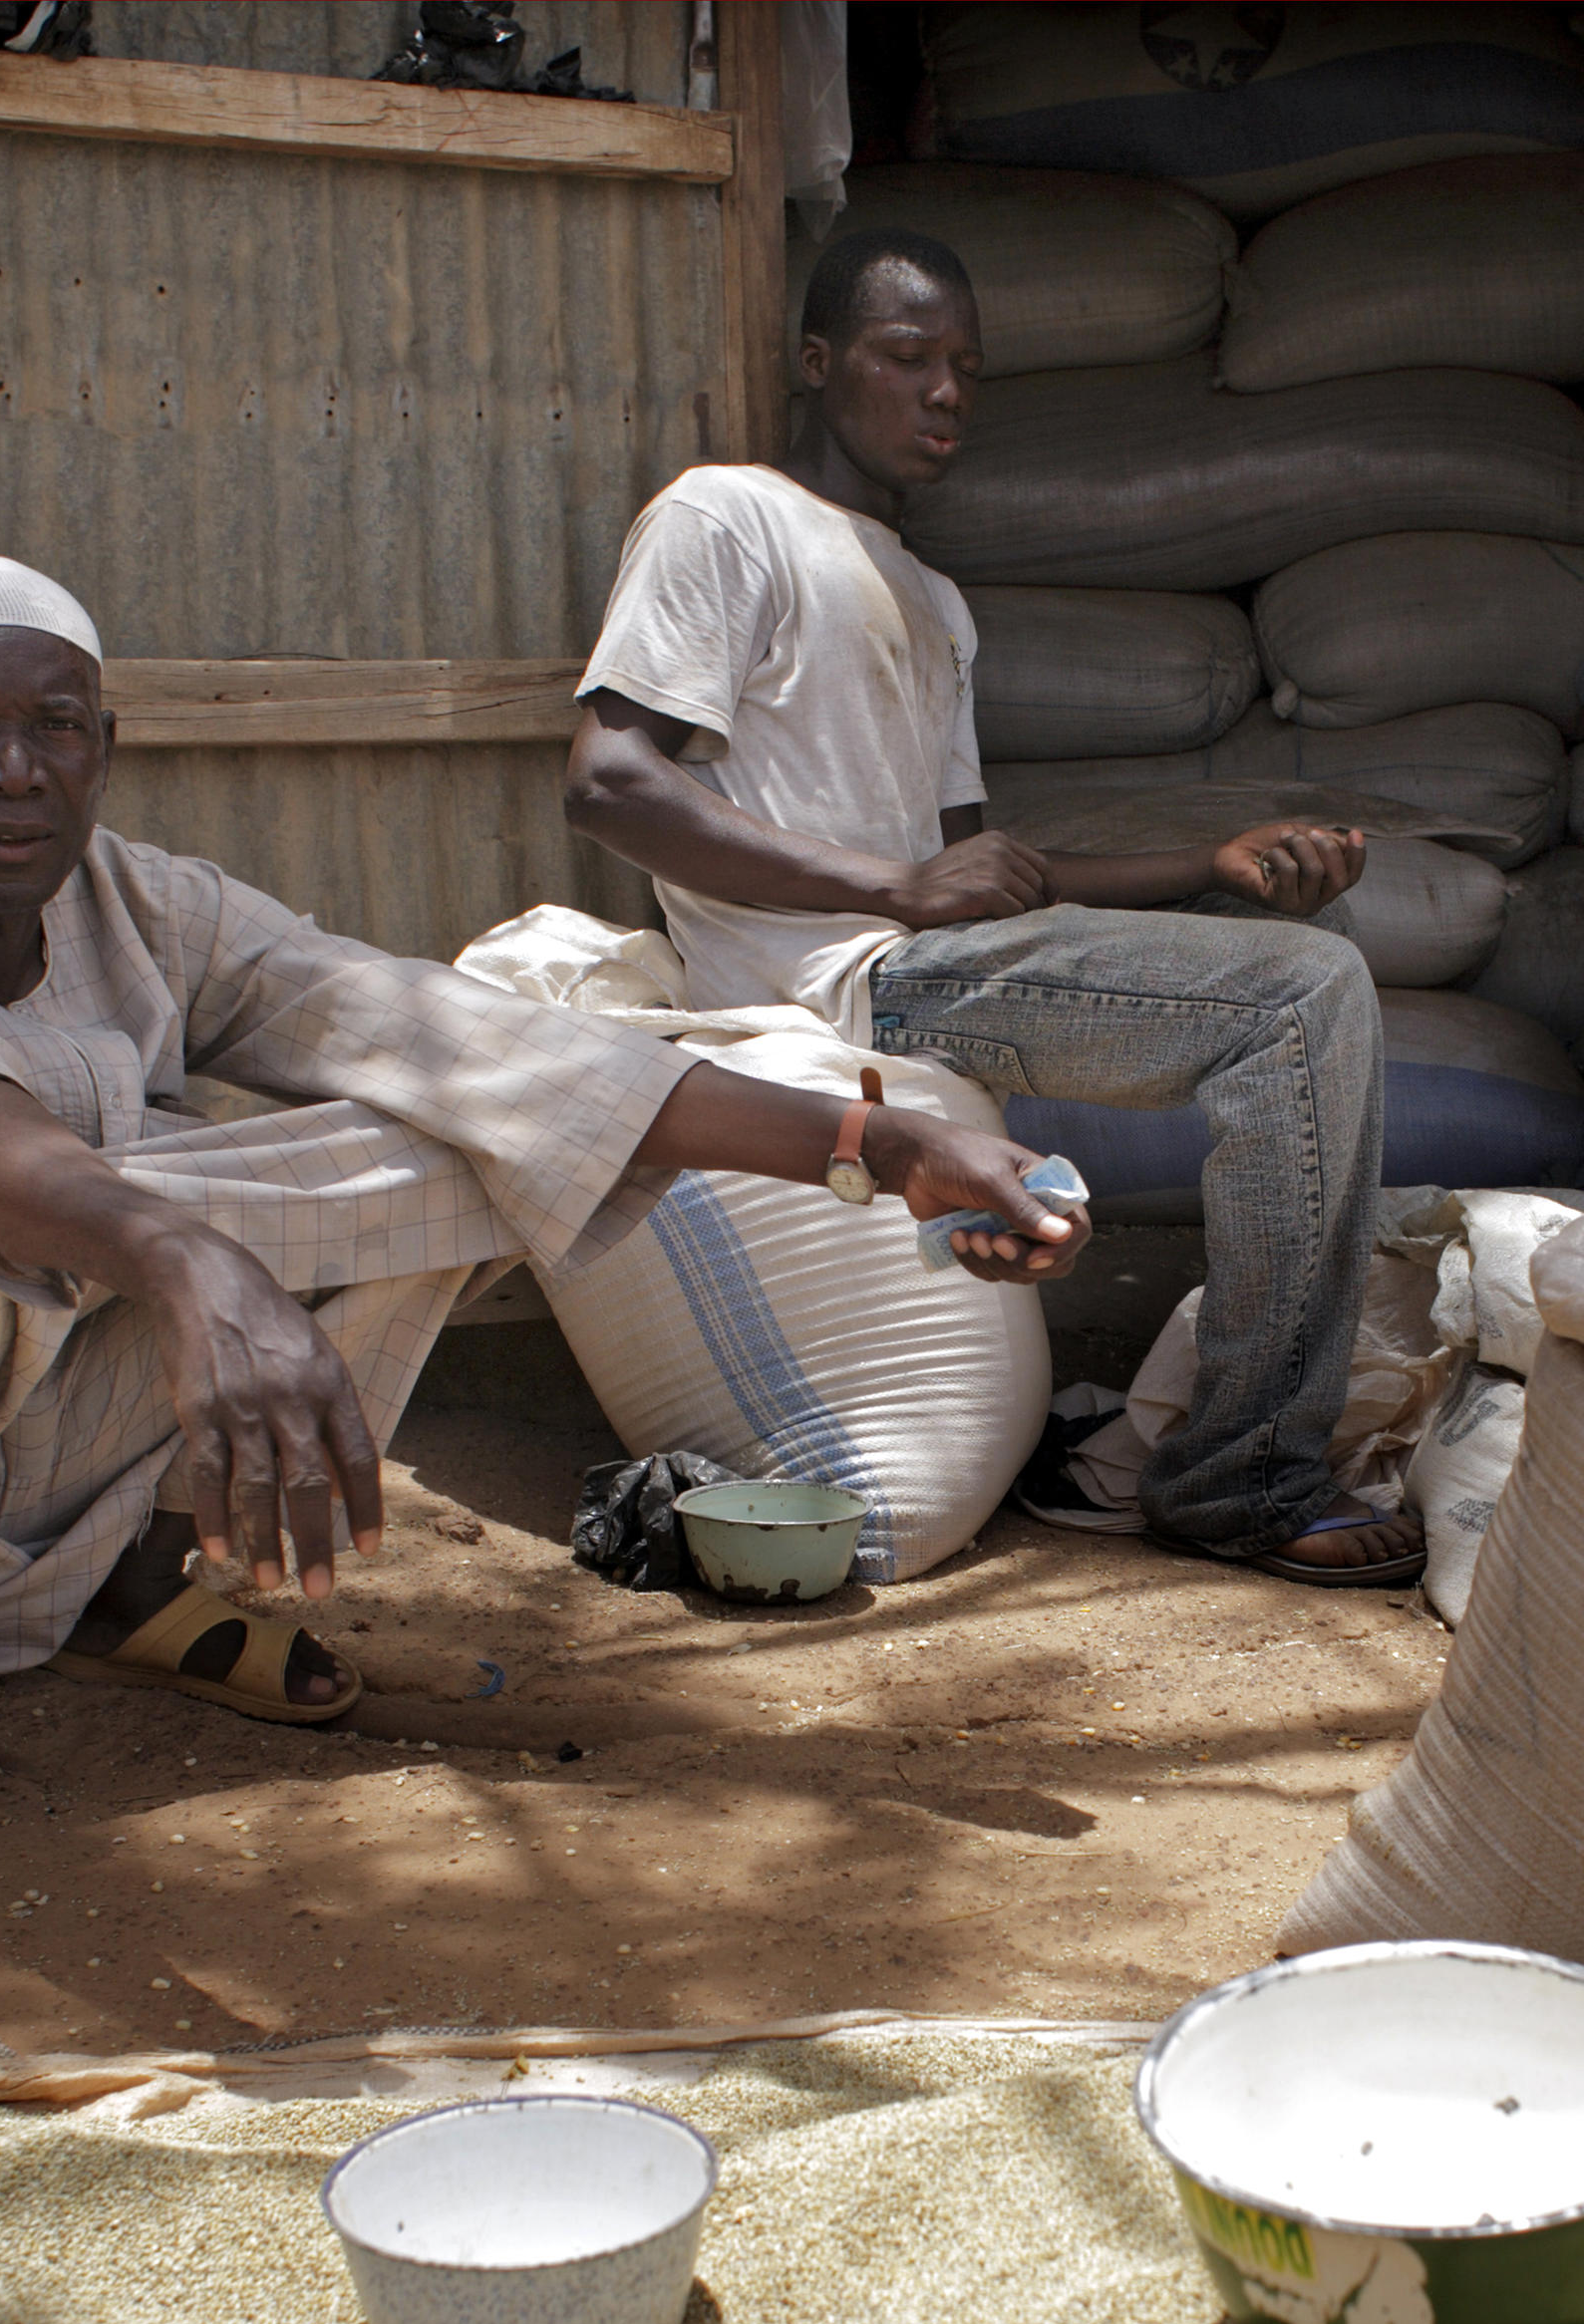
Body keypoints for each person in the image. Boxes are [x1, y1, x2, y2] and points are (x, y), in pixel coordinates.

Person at [0, 555, 1077, 1825]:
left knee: (460, 1144)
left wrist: (878, 1147)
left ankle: (130, 1570)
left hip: (13, 1386)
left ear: (105, 745)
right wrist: (195, 1265)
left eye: (55, 727)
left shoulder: (150, 906)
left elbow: (465, 1043)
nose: (12, 767)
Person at [562, 227, 1426, 1587]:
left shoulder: (932, 602)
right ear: (818, 363)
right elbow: (609, 784)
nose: (947, 391)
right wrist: (891, 888)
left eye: (967, 367)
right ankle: (1243, 1471)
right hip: (844, 977)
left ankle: (1238, 1437)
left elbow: (992, 875)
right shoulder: (726, 517)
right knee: (1301, 1002)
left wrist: (1213, 864)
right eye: (909, 358)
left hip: (941, 955)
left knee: (1309, 959)